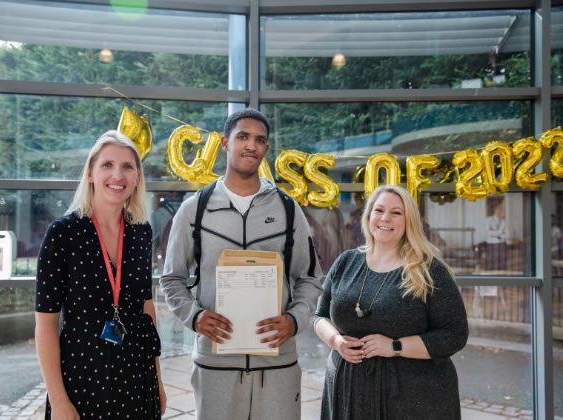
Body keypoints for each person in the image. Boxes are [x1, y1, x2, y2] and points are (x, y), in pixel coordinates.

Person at [160, 108, 323, 420]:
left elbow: (310, 278)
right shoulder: (194, 209)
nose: (251, 145)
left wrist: (295, 320)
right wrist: (194, 317)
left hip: (277, 365)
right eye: (243, 137)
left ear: (266, 149)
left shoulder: (289, 210)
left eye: (260, 140)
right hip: (215, 365)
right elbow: (172, 279)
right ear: (225, 143)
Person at [35, 130, 166, 419]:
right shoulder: (64, 233)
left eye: (127, 167)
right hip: (81, 380)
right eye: (107, 165)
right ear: (91, 173)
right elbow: (46, 325)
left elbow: (146, 308)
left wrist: (157, 381)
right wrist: (58, 401)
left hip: (136, 376)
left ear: (137, 178)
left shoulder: (140, 232)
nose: (117, 175)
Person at [314, 185, 468, 420]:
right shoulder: (346, 262)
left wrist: (395, 346)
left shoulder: (429, 270)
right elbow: (319, 316)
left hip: (412, 398)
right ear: (368, 216)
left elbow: (455, 334)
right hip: (349, 389)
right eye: (379, 210)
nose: (385, 218)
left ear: (409, 221)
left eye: (396, 213)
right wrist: (336, 341)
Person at [485, 196, 507, 271]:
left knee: (502, 261)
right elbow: (488, 232)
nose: (501, 211)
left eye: (501, 209)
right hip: (492, 244)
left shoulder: (503, 221)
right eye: (499, 209)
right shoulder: (489, 220)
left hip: (502, 243)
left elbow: (506, 233)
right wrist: (500, 232)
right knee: (491, 261)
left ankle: (503, 275)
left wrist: (499, 234)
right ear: (495, 210)